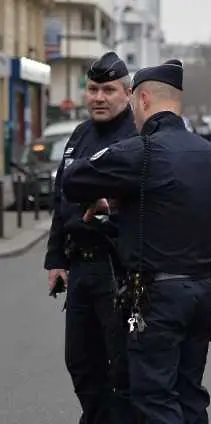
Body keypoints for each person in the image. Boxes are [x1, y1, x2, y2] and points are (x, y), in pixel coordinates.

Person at [61, 59, 211, 424]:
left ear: (144, 99)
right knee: (190, 394)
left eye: (134, 103)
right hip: (202, 291)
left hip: (158, 299)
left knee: (154, 398)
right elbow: (166, 211)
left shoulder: (143, 151)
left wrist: (111, 194)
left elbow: (73, 179)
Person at [43, 51, 137, 424]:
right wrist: (55, 259)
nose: (99, 97)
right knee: (80, 363)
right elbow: (60, 201)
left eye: (109, 90)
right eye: (93, 89)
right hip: (80, 266)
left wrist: (110, 211)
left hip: (118, 269)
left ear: (128, 94)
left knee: (121, 365)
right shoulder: (79, 135)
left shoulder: (136, 137)